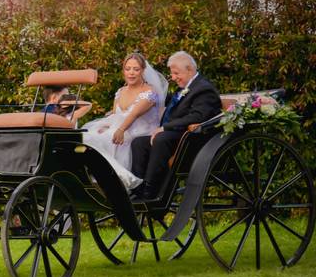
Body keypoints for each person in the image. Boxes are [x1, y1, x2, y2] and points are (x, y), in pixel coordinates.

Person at [130, 51, 222, 200]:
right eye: (172, 73)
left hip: (194, 139)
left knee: (161, 139)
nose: (173, 77)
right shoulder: (185, 87)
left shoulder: (204, 89)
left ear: (190, 70)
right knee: (139, 143)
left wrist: (165, 127)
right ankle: (137, 187)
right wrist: (145, 94)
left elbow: (198, 116)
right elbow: (169, 104)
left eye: (176, 73)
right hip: (176, 136)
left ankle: (151, 190)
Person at [82, 53, 167, 189]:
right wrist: (106, 126)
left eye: (136, 69)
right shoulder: (120, 91)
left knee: (98, 140)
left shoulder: (150, 92)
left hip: (139, 131)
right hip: (120, 128)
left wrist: (120, 130)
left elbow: (134, 114)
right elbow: (116, 115)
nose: (131, 73)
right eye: (128, 69)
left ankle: (122, 176)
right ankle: (95, 175)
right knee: (86, 137)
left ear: (143, 71)